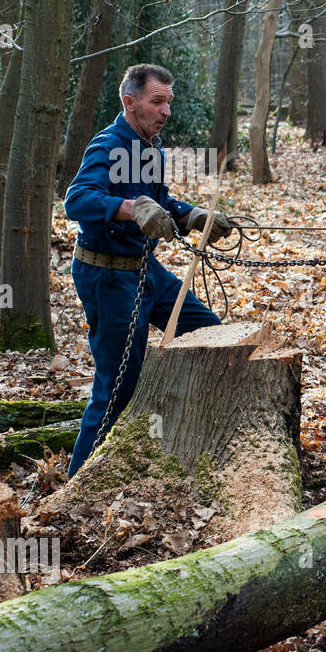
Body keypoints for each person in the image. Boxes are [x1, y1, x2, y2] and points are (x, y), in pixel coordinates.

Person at [63, 63, 234, 476]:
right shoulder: (107, 145)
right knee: (117, 386)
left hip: (147, 272)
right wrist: (127, 209)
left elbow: (158, 202)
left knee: (213, 335)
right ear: (130, 102)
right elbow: (77, 200)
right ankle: (77, 484)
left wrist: (190, 215)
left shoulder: (152, 148)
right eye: (157, 102)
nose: (166, 111)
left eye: (168, 103)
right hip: (107, 278)